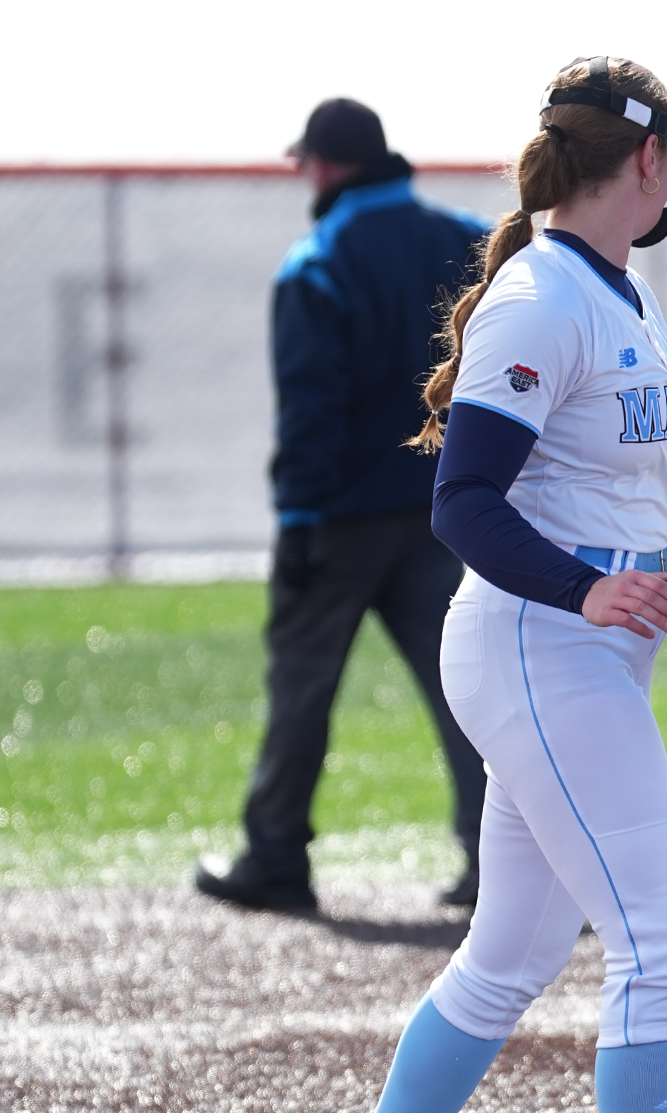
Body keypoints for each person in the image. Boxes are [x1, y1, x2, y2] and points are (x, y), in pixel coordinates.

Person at [362, 56, 667, 1113]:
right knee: (658, 943)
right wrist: (584, 591)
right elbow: (464, 501)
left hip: (573, 649)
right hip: (538, 642)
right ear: (648, 158)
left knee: (510, 957)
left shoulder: (613, 286)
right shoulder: (540, 296)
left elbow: (655, 492)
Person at [196, 98, 491, 913]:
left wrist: (298, 523)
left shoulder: (316, 261)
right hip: (448, 509)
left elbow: (310, 411)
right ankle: (500, 860)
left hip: (343, 519)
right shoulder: (467, 239)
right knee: (469, 690)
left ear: (322, 165)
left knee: (302, 688)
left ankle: (276, 857)